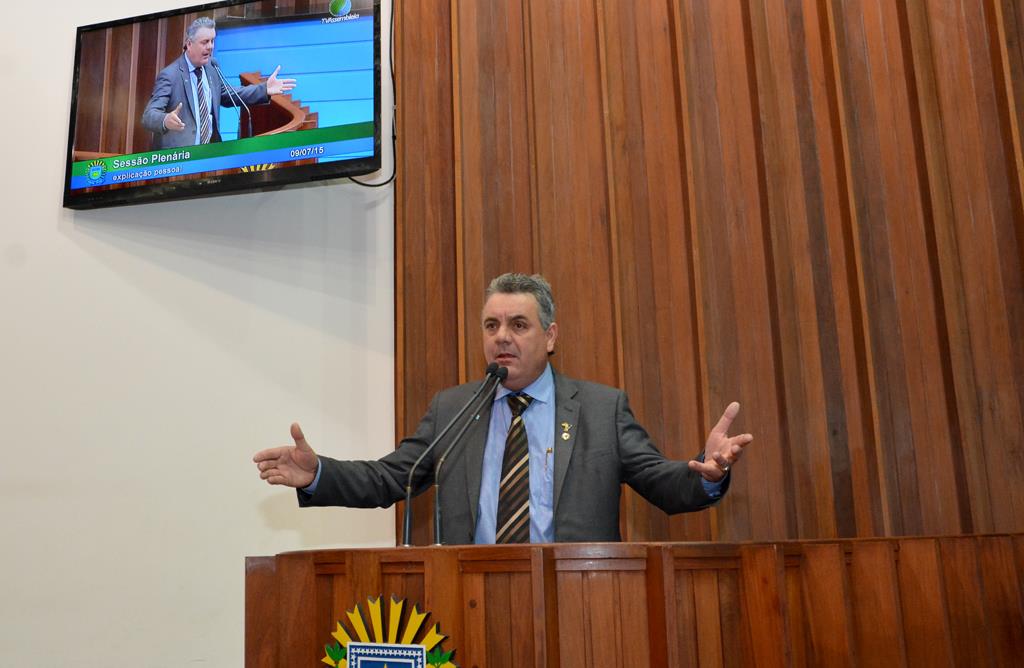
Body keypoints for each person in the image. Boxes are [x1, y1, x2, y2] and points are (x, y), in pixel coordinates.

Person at [253, 273, 753, 544]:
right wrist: (319, 473)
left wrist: (707, 473)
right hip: (467, 599)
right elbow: (391, 478)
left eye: (518, 325)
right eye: (491, 326)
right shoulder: (454, 409)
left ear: (550, 336)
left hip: (577, 601)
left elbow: (662, 484)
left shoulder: (601, 410)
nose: (502, 338)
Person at [141, 17, 296, 150]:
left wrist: (264, 89)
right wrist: (165, 120)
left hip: (210, 154)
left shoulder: (211, 67)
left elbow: (229, 95)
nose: (210, 47)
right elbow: (148, 116)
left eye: (212, 41)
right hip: (182, 158)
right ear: (189, 44)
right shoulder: (170, 75)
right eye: (205, 42)